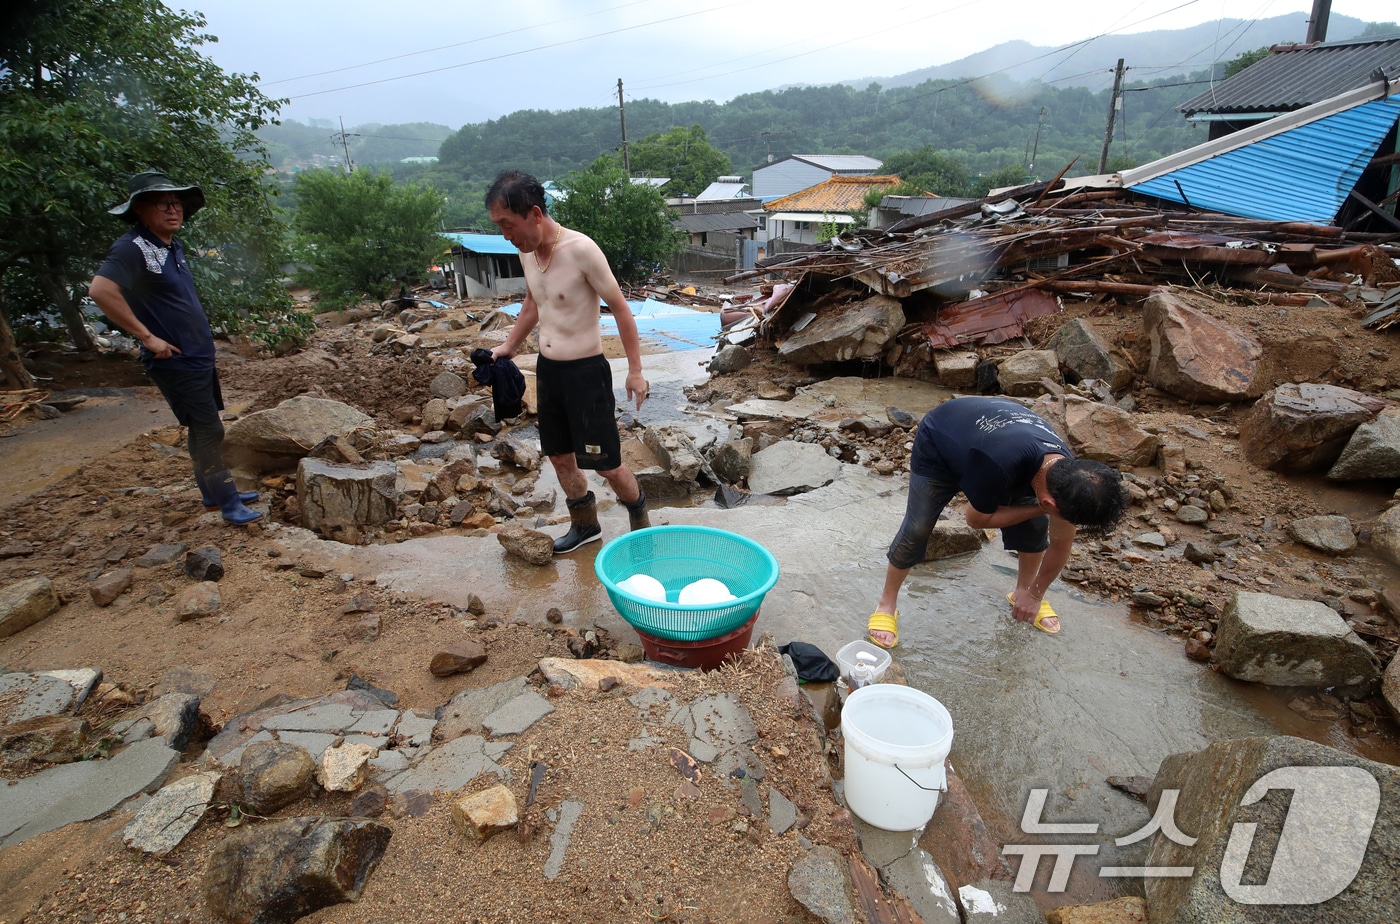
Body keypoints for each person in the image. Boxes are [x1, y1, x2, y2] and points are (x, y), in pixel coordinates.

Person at [867, 396, 1126, 648]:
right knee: (918, 526)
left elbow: (1060, 544)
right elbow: (975, 519)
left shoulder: (1070, 477)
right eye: (1051, 510)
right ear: (1049, 503)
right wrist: (1036, 508)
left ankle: (1021, 593)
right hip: (942, 439)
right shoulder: (999, 464)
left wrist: (1035, 594)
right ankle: (887, 603)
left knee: (1034, 527)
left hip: (995, 437)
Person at [484, 170, 650, 553]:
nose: (506, 235)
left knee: (606, 463)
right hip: (550, 371)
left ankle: (640, 521)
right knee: (559, 456)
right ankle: (585, 525)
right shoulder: (527, 253)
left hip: (586, 374)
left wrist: (636, 371)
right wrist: (509, 346)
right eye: (499, 227)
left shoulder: (581, 251)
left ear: (535, 214)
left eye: (508, 225)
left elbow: (623, 311)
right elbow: (532, 303)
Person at [88, 170, 261, 525]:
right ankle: (228, 503)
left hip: (195, 356)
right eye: (163, 203)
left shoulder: (169, 245)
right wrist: (146, 336)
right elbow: (101, 290)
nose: (173, 210)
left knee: (204, 427)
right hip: (174, 358)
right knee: (210, 430)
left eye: (177, 203)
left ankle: (214, 495)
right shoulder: (131, 247)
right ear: (139, 209)